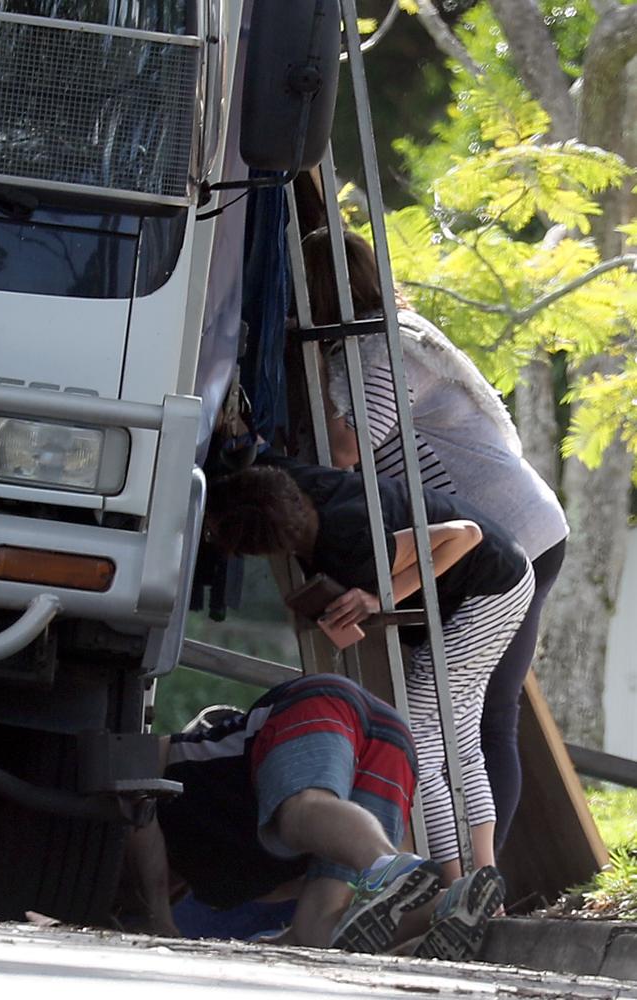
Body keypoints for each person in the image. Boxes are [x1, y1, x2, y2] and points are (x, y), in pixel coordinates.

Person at [299, 228, 568, 850]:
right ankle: (477, 875)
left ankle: (465, 876)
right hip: (514, 529)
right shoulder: (398, 333)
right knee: (481, 714)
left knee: (463, 714)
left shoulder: (375, 348)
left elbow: (347, 448)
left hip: (503, 537)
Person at [205, 457, 535, 887]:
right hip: (498, 574)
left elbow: (464, 536)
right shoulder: (287, 482)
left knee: (420, 741)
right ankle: (483, 881)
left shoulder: (350, 537)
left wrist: (380, 596)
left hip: (491, 588)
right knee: (461, 742)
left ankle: (457, 889)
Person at [127, 673, 505, 960]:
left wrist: (158, 917)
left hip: (324, 703)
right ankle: (448, 906)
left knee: (297, 811)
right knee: (315, 927)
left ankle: (389, 867)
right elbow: (302, 923)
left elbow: (137, 792)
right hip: (393, 745)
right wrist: (273, 945)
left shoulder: (176, 783)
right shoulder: (220, 884)